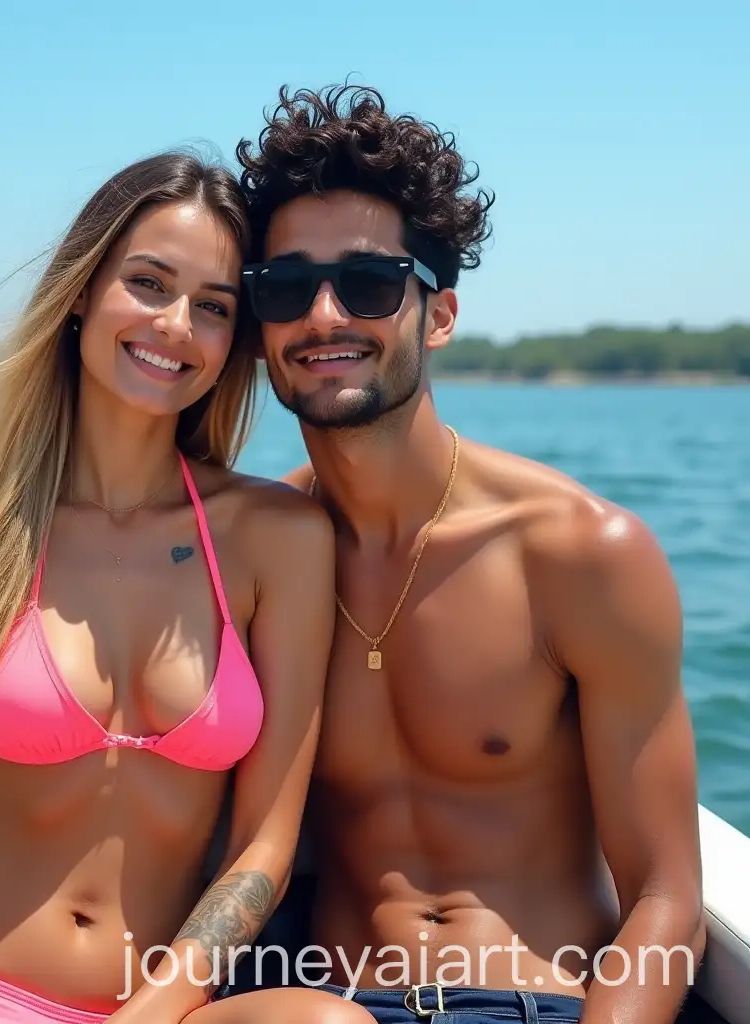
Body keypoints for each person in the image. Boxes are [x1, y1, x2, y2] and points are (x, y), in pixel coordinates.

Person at [0, 152, 375, 1024]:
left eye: (213, 307)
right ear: (79, 294)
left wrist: (149, 1014)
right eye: (147, 283)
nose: (176, 325)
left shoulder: (276, 538)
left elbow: (262, 846)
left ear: (232, 342)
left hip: (158, 1011)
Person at [232, 85, 706, 1024]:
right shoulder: (253, 553)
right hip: (324, 1006)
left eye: (368, 284)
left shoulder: (577, 554)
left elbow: (666, 900)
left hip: (532, 1005)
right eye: (287, 287)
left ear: (437, 315)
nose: (325, 315)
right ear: (258, 326)